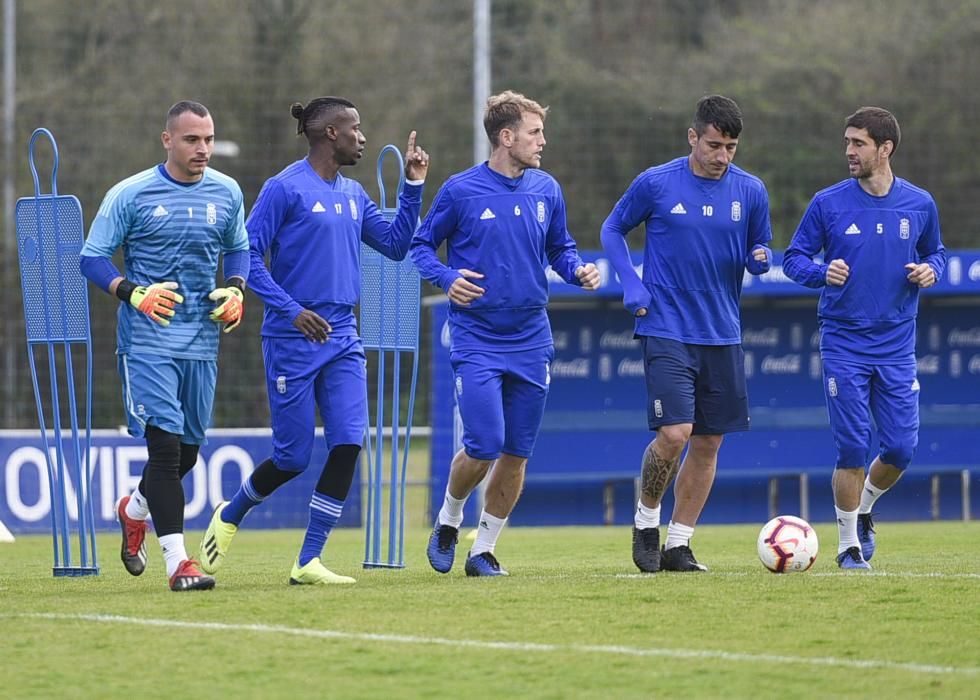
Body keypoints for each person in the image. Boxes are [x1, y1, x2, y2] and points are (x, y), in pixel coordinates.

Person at [197, 97, 428, 585]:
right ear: (330, 134)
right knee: (292, 458)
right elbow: (246, 257)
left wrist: (413, 186)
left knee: (349, 441)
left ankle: (308, 560)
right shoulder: (284, 188)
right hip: (291, 337)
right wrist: (291, 310)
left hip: (343, 335)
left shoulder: (353, 193)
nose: (362, 137)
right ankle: (231, 513)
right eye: (355, 129)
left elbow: (395, 244)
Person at [412, 90, 600, 577]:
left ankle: (484, 551)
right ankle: (449, 520)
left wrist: (577, 269)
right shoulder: (460, 191)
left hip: (532, 337)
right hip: (477, 339)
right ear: (506, 136)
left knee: (517, 452)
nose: (543, 141)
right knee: (485, 444)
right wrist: (447, 278)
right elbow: (420, 248)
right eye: (535, 133)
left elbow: (561, 247)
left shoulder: (546, 189)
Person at [80, 100, 249, 591]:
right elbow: (93, 258)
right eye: (192, 139)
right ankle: (178, 563)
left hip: (202, 341)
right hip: (148, 342)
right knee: (167, 450)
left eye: (209, 139)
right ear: (167, 140)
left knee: (187, 453)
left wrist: (235, 288)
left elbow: (237, 246)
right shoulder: (130, 194)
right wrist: (133, 292)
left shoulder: (228, 191)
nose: (203, 149)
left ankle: (133, 511)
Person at [600, 95, 773, 574]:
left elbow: (761, 245)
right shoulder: (656, 183)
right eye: (714, 145)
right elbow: (612, 229)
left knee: (709, 442)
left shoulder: (751, 191)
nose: (722, 157)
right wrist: (631, 283)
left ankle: (679, 544)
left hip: (723, 331)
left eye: (731, 147)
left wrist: (760, 258)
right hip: (667, 326)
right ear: (693, 137)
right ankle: (646, 520)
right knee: (675, 433)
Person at [783, 107, 945, 569]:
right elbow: (794, 258)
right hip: (843, 342)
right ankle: (848, 546)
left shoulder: (919, 203)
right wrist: (820, 272)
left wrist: (930, 268)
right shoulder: (828, 203)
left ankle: (867, 507)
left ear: (885, 148)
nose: (848, 151)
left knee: (899, 449)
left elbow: (937, 251)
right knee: (853, 446)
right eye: (847, 142)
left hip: (897, 344)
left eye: (858, 143)